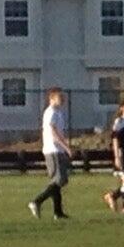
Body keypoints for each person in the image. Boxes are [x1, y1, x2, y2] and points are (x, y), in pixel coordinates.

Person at [27, 88, 73, 220]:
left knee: (57, 181)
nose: (62, 99)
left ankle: (58, 212)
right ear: (51, 99)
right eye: (59, 97)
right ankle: (37, 201)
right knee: (60, 180)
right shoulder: (51, 112)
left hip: (57, 150)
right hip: (53, 150)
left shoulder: (58, 112)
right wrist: (66, 147)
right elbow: (53, 132)